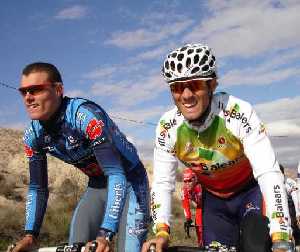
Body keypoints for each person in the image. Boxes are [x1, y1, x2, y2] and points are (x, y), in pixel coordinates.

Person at [142, 43, 293, 252]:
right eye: (177, 87)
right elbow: (162, 183)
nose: (186, 95)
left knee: (255, 246)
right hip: (214, 201)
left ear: (211, 84)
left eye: (194, 84)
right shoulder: (167, 127)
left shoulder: (238, 112)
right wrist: (161, 232)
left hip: (250, 192)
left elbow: (268, 171)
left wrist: (281, 235)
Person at [10, 62, 149, 252]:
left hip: (130, 181)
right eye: (23, 92)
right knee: (75, 245)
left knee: (128, 249)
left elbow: (116, 172)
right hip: (97, 185)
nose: (28, 98)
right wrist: (30, 235)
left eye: (36, 90)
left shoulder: (85, 117)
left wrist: (105, 234)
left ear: (58, 89)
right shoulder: (33, 136)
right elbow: (37, 188)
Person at [181, 168, 203, 246]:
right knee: (198, 228)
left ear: (195, 179)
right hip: (200, 207)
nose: (187, 183)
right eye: (185, 181)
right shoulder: (184, 190)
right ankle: (200, 245)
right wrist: (188, 218)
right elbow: (185, 204)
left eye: (189, 181)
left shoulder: (200, 187)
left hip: (209, 206)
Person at [280, 164, 300, 245]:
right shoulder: (273, 182)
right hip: (281, 207)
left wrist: (298, 213)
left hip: (291, 206)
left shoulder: (289, 182)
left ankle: (298, 242)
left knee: (294, 226)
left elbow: (295, 197)